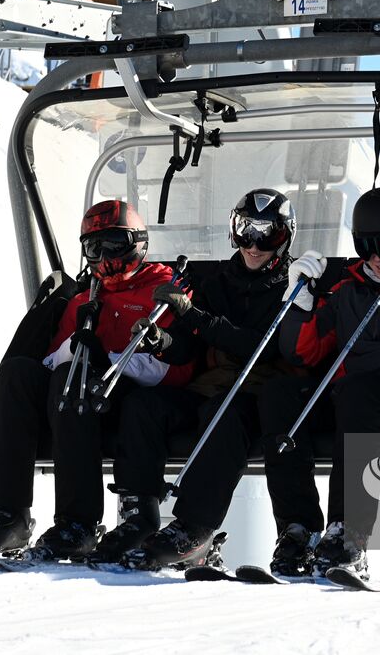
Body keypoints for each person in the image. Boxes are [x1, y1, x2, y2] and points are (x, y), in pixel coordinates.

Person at [0, 199, 188, 560]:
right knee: (18, 372)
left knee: (74, 376)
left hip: (130, 401)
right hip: (73, 398)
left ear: (137, 244)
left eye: (114, 245)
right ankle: (10, 514)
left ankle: (77, 521)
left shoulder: (164, 291)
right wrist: (70, 348)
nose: (105, 258)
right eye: (94, 248)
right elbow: (52, 360)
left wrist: (106, 359)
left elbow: (174, 369)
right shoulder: (83, 298)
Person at [114, 189, 296, 569]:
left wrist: (193, 316)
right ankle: (139, 515)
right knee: (144, 405)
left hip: (254, 396)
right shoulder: (218, 282)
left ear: (285, 237)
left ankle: (195, 527)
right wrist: (160, 342)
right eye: (245, 231)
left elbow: (258, 345)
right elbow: (188, 349)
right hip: (206, 387)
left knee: (222, 415)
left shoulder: (290, 286)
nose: (254, 245)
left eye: (268, 235)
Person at [265, 187, 380, 578]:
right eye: (366, 247)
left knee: (359, 391)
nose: (377, 258)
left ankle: (349, 532)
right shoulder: (345, 291)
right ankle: (299, 527)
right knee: (281, 393)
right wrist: (300, 305)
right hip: (346, 398)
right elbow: (303, 353)